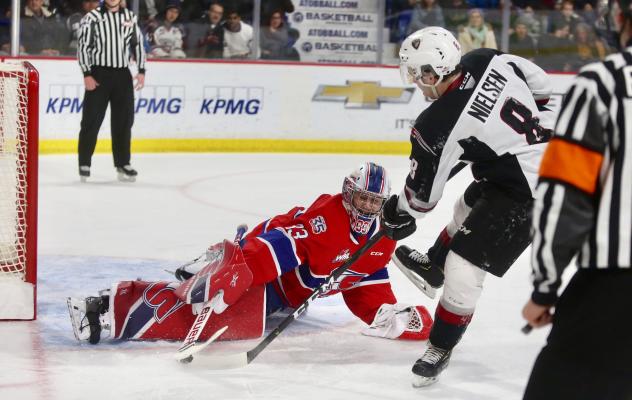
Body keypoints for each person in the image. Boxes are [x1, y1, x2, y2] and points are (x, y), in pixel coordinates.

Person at [67, 163, 433, 346]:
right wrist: (241, 271)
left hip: (288, 289)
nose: (367, 207)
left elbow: (364, 283)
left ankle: (214, 265)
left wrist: (388, 314)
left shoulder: (381, 240)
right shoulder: (328, 218)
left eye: (374, 201)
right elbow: (280, 247)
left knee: (231, 311)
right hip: (270, 264)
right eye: (362, 198)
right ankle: (106, 309)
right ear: (347, 194)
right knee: (224, 317)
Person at [382, 26, 553, 387]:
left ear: (431, 72)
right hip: (537, 161)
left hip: (534, 190)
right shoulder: (486, 57)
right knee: (465, 208)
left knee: (465, 268)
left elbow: (421, 200)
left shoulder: (436, 125)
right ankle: (433, 266)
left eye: (417, 74)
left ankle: (440, 346)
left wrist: (397, 211)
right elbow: (541, 89)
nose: (416, 81)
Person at [521, 0, 632, 398]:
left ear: (620, 18)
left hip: (613, 290)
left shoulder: (604, 83)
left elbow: (564, 194)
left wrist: (545, 288)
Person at [77, 0, 146, 182]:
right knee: (91, 120)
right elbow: (83, 46)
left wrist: (141, 70)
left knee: (124, 121)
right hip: (99, 73)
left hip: (123, 74)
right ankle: (84, 162)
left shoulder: (130, 16)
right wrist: (87, 73)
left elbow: (138, 43)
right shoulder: (92, 17)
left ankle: (123, 163)